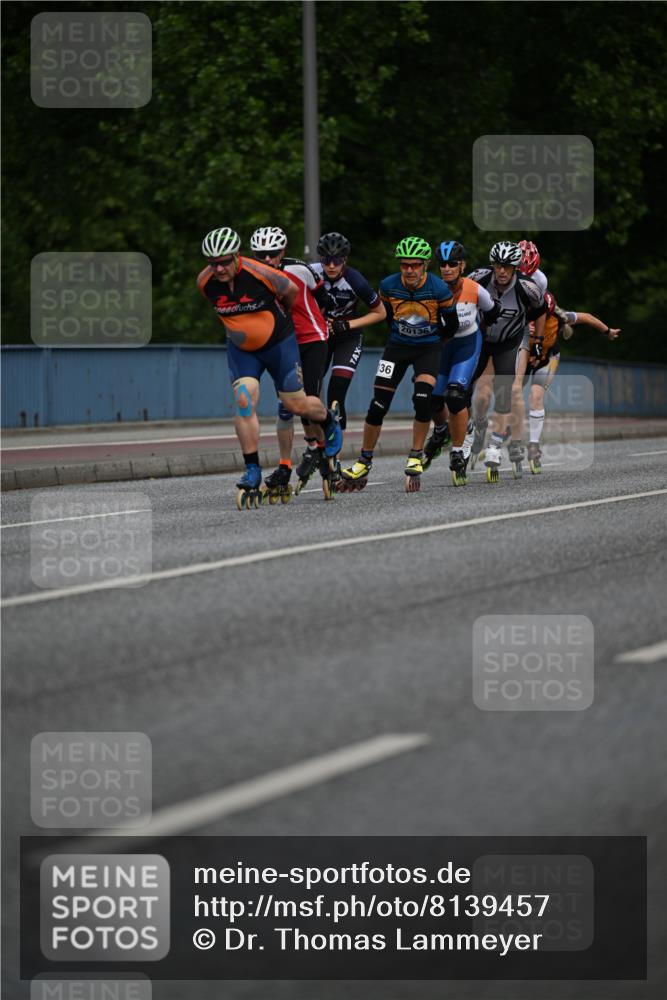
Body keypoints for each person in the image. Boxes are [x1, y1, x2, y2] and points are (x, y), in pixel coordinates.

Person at [197, 227, 342, 508]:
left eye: (224, 261)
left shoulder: (261, 272)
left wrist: (276, 319)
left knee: (297, 405)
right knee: (244, 399)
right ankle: (252, 469)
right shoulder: (205, 282)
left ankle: (327, 420)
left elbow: (289, 293)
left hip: (278, 344)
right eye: (212, 262)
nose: (218, 268)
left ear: (236, 256)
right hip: (242, 350)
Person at [339, 236, 459, 493]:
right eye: (405, 265)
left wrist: (437, 343)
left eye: (415, 265)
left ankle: (416, 455)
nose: (410, 270)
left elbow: (453, 324)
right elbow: (387, 316)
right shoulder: (388, 286)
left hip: (429, 348)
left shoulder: (439, 289)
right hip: (397, 347)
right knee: (378, 404)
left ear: (425, 265)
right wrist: (401, 335)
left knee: (423, 397)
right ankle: (364, 460)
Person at [248, 225, 332, 499]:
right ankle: (284, 466)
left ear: (282, 251)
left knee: (308, 400)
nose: (267, 260)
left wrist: (325, 323)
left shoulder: (298, 270)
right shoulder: (252, 275)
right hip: (284, 344)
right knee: (286, 406)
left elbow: (324, 299)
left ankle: (323, 451)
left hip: (313, 338)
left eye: (273, 254)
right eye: (261, 255)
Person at [304, 232, 386, 480]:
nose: (331, 266)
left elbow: (380, 313)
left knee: (336, 395)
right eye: (327, 260)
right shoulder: (310, 272)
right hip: (319, 337)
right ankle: (316, 446)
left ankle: (335, 458)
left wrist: (348, 325)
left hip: (347, 337)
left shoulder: (355, 280)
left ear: (345, 260)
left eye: (337, 261)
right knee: (310, 395)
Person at [467, 241, 546, 482]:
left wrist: (539, 340)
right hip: (483, 336)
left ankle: (506, 441)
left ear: (517, 267)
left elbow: (542, 310)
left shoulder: (533, 285)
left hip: (515, 336)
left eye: (508, 267)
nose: (502, 272)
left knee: (511, 389)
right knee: (479, 394)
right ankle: (478, 424)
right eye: (498, 266)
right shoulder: (478, 278)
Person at [423, 240, 499, 485]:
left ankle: (458, 452)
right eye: (442, 264)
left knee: (456, 396)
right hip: (441, 349)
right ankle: (443, 430)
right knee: (431, 399)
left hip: (466, 346)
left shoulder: (474, 289)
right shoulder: (431, 288)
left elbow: (493, 310)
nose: (446, 268)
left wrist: (484, 328)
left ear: (462, 265)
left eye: (452, 264)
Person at [524, 292, 620, 473]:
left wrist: (607, 331)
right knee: (511, 393)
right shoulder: (523, 314)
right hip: (523, 357)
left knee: (536, 396)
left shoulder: (559, 317)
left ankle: (534, 445)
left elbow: (587, 317)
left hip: (547, 358)